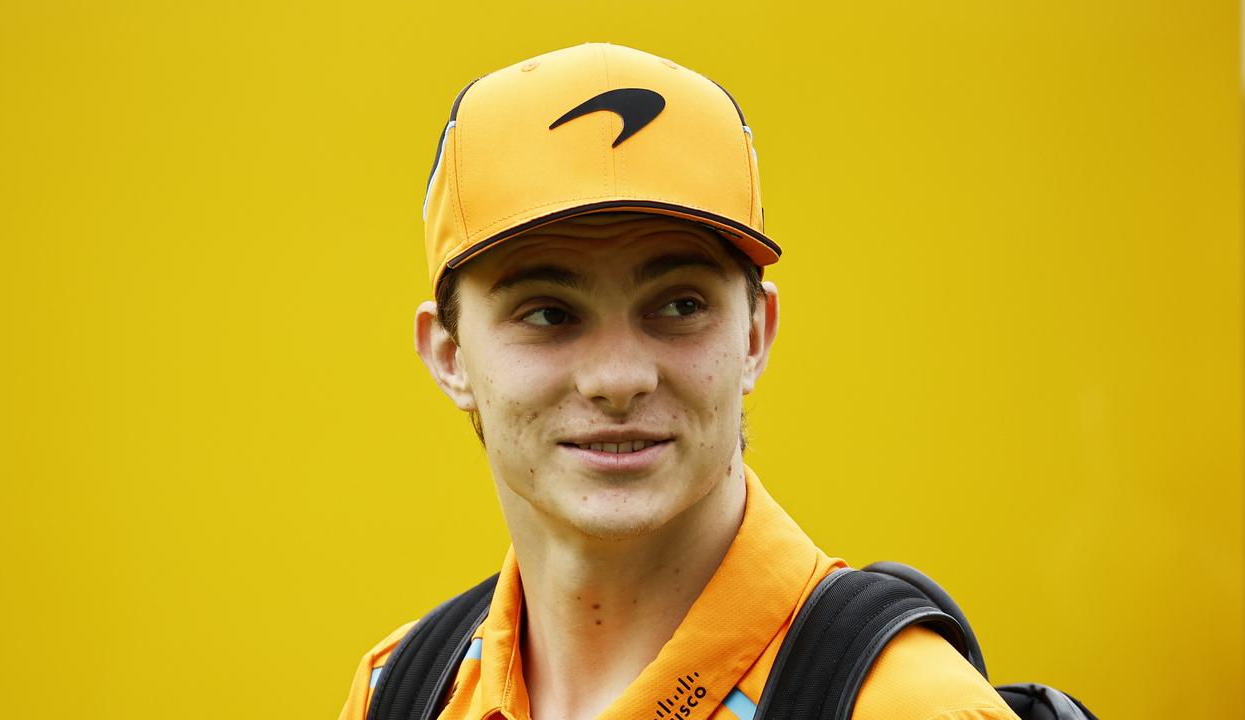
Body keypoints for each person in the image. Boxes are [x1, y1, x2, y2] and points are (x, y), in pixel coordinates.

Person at [339, 42, 1018, 720]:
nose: (619, 379)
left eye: (678, 306)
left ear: (755, 334)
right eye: (549, 313)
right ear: (449, 356)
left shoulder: (910, 708)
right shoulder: (400, 692)